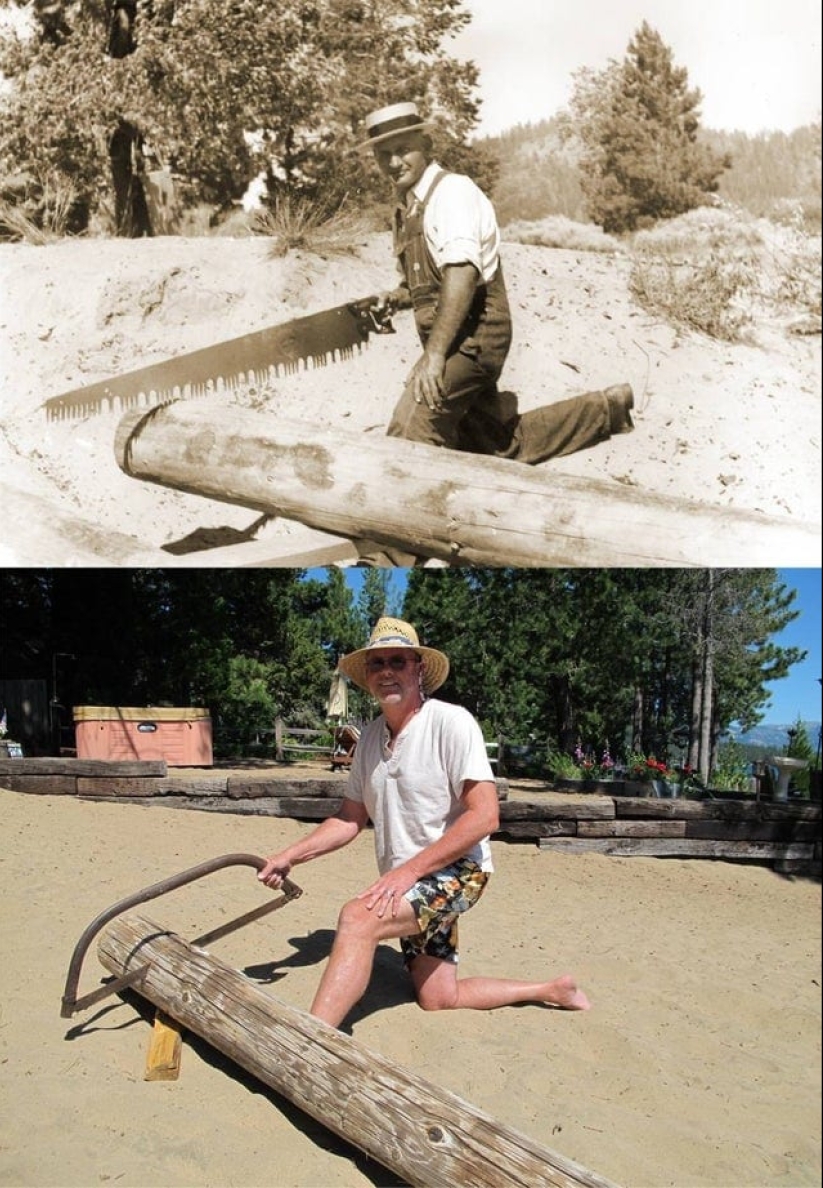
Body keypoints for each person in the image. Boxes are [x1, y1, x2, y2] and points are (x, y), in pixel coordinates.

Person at [258, 616, 590, 1029]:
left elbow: (485, 814)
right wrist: (289, 855)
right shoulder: (369, 742)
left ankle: (309, 1042)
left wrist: (408, 873)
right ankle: (551, 989)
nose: (387, 672)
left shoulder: (450, 723)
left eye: (398, 661)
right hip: (408, 881)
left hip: (459, 872)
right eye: (377, 664)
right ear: (368, 676)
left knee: (357, 919)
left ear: (418, 668)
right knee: (437, 997)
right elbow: (349, 819)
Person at [352, 101, 634, 565]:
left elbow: (462, 276)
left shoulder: (453, 194)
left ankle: (392, 554)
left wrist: (436, 356)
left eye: (403, 150)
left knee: (415, 422)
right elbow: (428, 281)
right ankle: (606, 410)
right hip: (450, 338)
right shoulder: (407, 207)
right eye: (384, 155)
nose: (393, 162)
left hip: (474, 337)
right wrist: (398, 297)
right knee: (496, 444)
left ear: (426, 144)